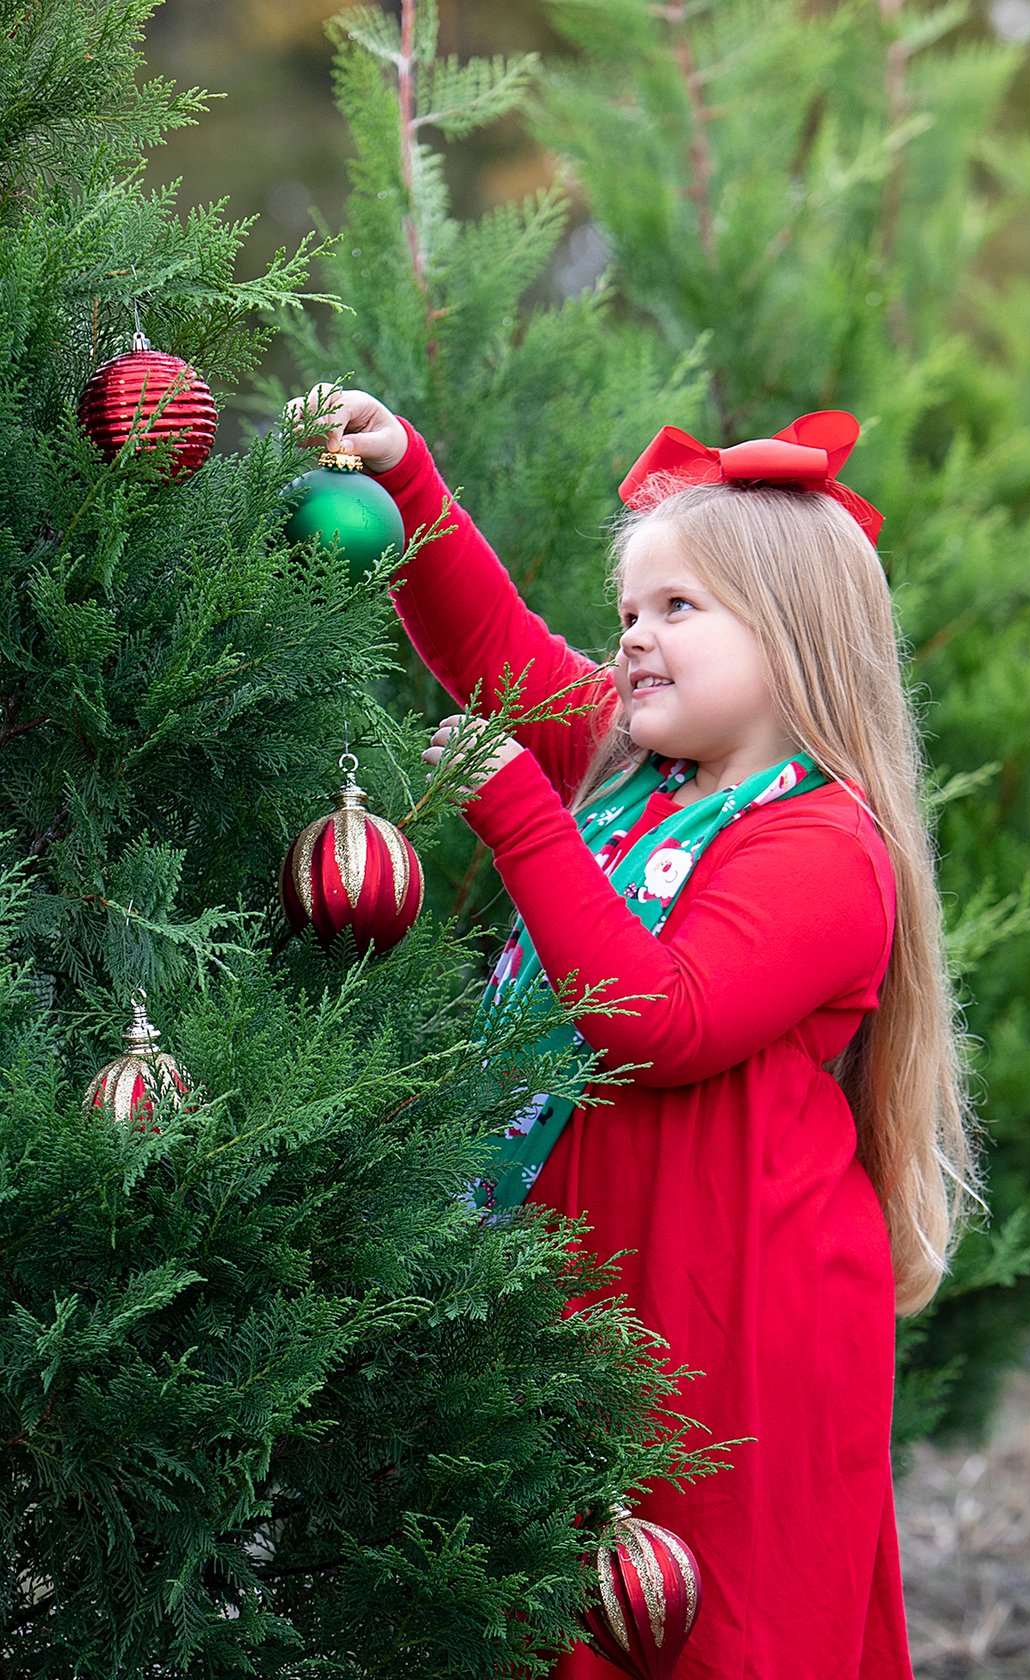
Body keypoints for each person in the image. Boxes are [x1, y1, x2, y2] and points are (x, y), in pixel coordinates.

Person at [287, 386, 978, 1680]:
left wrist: (521, 817)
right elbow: (491, 645)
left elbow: (661, 1021)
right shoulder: (629, 765)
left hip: (735, 1332)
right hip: (609, 1286)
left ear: (795, 639)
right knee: (573, 1608)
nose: (634, 641)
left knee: (723, 1619)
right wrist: (410, 484)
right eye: (627, 613)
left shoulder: (827, 848)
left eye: (678, 610)